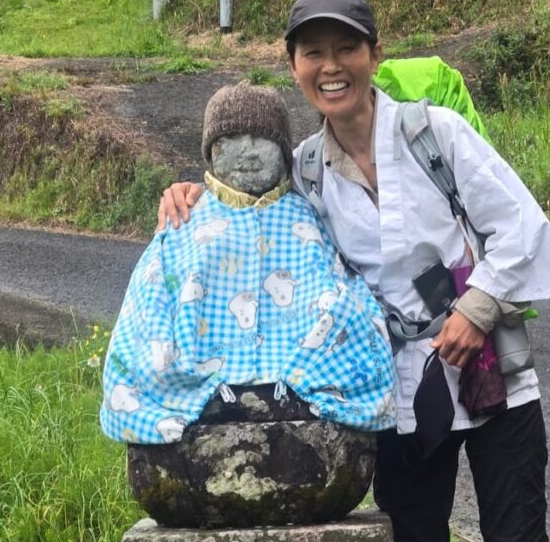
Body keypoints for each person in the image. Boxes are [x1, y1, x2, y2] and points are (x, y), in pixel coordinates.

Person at [158, 0, 550, 542]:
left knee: (516, 531)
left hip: (489, 370)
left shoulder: (435, 134)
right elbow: (251, 209)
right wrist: (188, 192)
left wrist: (475, 311)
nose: (331, 66)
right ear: (294, 66)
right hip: (395, 386)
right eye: (314, 53)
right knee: (412, 532)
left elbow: (521, 227)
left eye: (347, 48)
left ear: (374, 55)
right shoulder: (307, 170)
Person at [100, 81, 396, 447]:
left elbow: (342, 289)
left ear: (285, 151)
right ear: (211, 151)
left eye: (261, 139)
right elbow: (147, 302)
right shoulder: (188, 220)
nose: (248, 152)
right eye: (233, 139)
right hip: (201, 387)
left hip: (300, 384)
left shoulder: (308, 211)